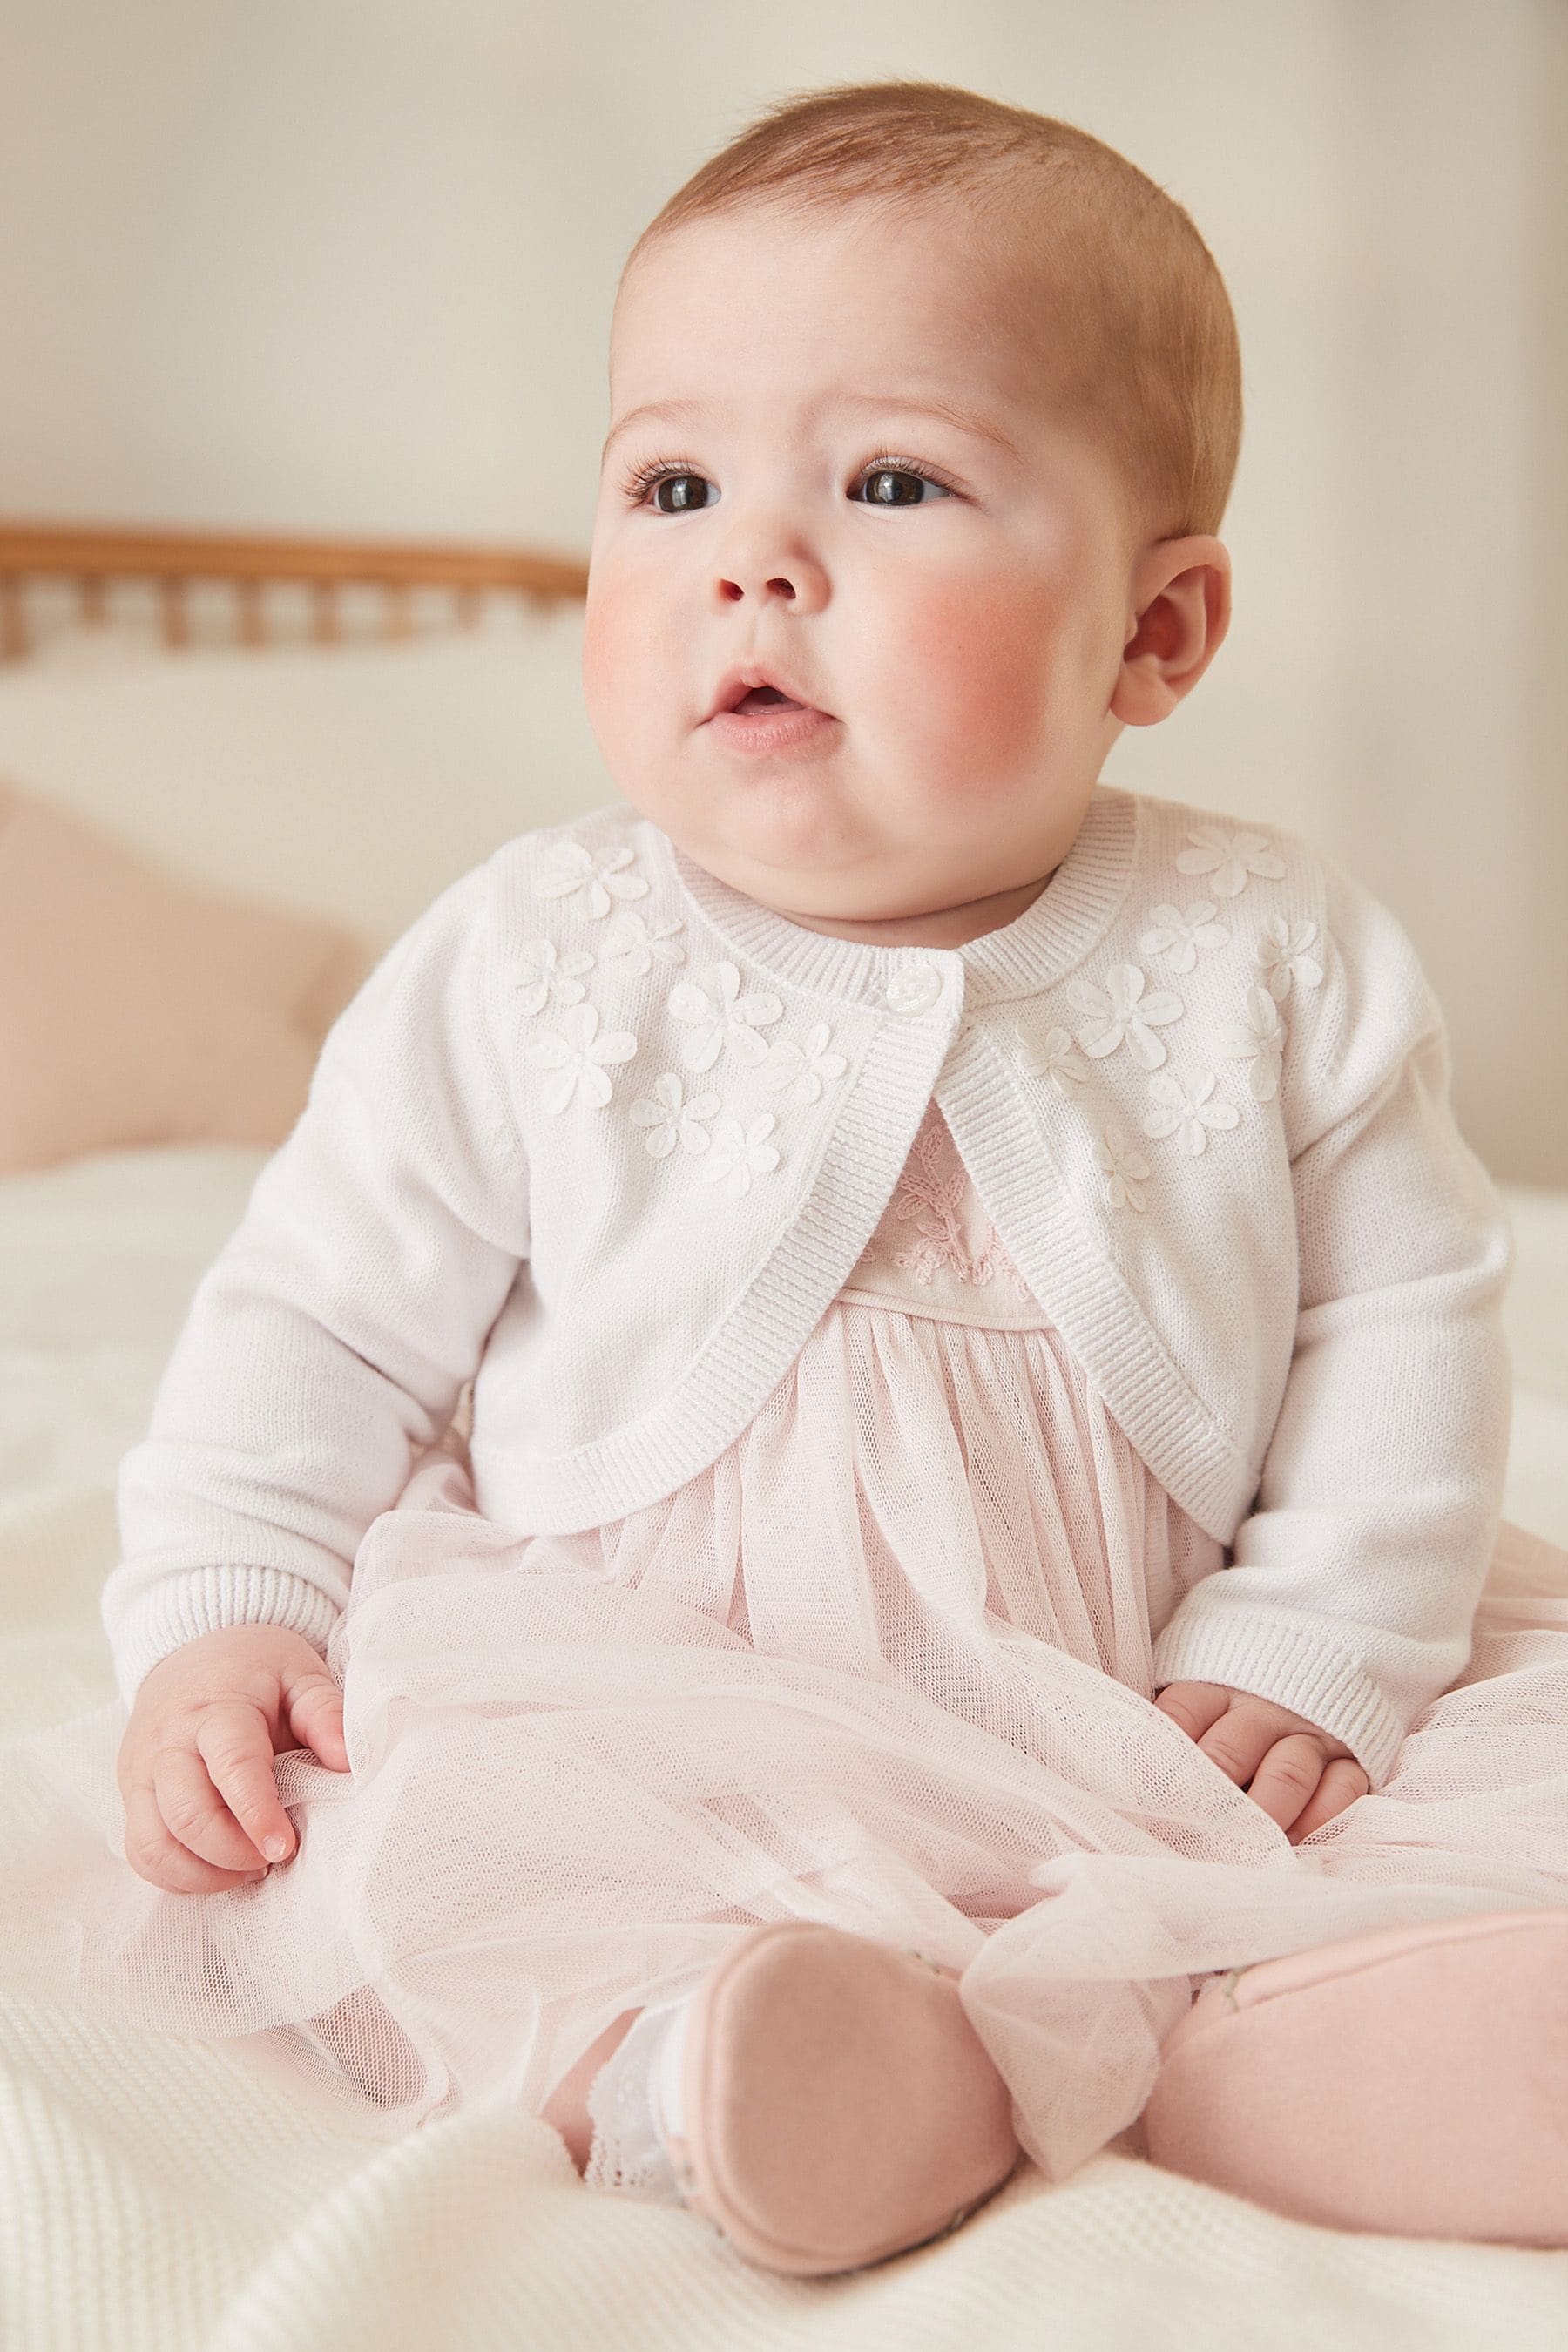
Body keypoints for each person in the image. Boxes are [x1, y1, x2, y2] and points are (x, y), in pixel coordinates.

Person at [7, 79, 1568, 2276]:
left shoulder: (1273, 952)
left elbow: (1408, 1321)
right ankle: (730, 2075)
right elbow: (316, 1321)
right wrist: (233, 1606)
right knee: (403, 1857)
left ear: (1157, 632)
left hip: (1149, 1685)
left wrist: (1323, 1642)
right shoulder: (537, 951)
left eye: (894, 481)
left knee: (1442, 1775)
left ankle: (1245, 2046)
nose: (753, 557)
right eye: (672, 482)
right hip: (663, 1692)